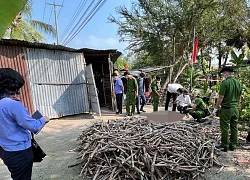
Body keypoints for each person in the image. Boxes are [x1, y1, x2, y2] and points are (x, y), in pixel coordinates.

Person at [0, 68, 50, 180]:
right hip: (19, 152)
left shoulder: (4, 103)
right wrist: (44, 119)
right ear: (11, 86)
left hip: (5, 151)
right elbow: (33, 126)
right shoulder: (13, 105)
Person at [213, 66, 242, 152]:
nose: (223, 75)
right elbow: (239, 97)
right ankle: (233, 145)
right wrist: (237, 106)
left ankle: (224, 145)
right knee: (234, 127)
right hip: (235, 108)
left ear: (226, 73)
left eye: (223, 73)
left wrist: (216, 108)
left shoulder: (225, 83)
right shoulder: (238, 83)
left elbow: (221, 97)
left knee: (225, 127)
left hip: (227, 109)